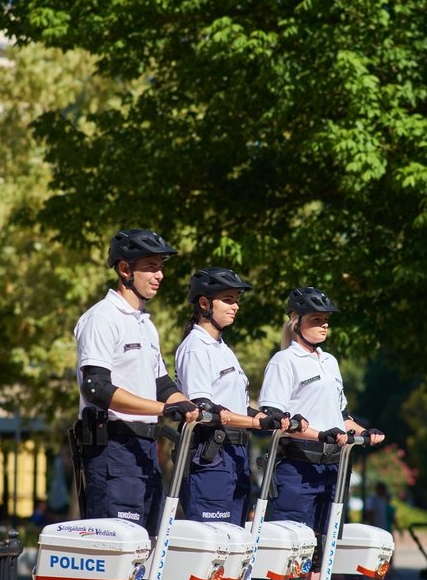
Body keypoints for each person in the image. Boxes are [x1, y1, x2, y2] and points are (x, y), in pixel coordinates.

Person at [258, 285, 385, 580]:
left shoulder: (329, 362)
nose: (324, 326)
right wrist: (318, 434)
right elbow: (275, 418)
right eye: (317, 320)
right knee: (292, 546)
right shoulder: (284, 362)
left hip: (332, 468)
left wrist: (364, 431)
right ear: (297, 322)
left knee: (321, 545)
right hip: (297, 467)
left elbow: (341, 416)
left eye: (327, 321)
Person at [74, 228, 199, 536]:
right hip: (112, 450)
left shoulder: (145, 324)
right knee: (117, 549)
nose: (160, 275)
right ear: (125, 269)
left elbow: (162, 384)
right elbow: (96, 388)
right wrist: (161, 409)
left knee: (146, 548)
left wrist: (187, 406)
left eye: (161, 267)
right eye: (151, 266)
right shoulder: (102, 318)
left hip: (145, 447)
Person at [175, 267, 287, 525]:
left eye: (236, 300)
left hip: (235, 454)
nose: (235, 306)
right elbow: (204, 409)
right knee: (212, 545)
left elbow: (237, 406)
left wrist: (267, 417)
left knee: (233, 544)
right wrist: (257, 423)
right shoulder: (195, 347)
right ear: (204, 303)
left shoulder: (222, 348)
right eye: (228, 299)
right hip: (209, 456)